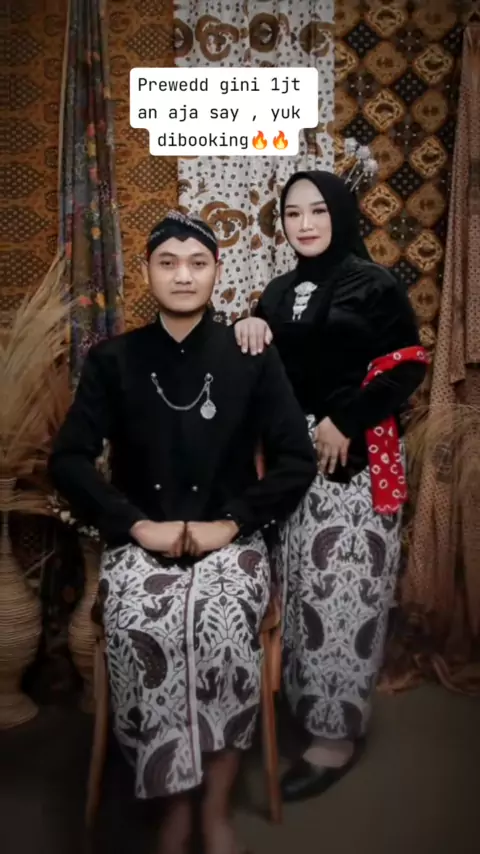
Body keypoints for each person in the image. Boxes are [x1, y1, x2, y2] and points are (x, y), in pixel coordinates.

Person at [49, 211, 316, 854]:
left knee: (219, 625)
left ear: (216, 271)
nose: (183, 275)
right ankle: (172, 804)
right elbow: (69, 460)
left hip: (232, 539)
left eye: (197, 263)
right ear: (148, 272)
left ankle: (215, 807)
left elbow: (295, 460)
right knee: (146, 625)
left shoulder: (250, 354)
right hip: (142, 540)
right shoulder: (113, 360)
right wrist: (137, 525)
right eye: (167, 262)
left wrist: (233, 522)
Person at [234, 171, 428, 802]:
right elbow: (263, 368)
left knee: (345, 597)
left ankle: (334, 739)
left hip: (355, 463)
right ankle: (304, 709)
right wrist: (247, 326)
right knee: (300, 591)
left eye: (318, 211)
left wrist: (345, 418)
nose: (306, 224)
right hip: (292, 469)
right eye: (293, 214)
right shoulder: (277, 291)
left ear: (340, 214)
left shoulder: (373, 284)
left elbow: (408, 364)